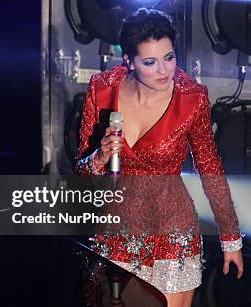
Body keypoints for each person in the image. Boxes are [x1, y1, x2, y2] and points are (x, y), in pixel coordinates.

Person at [75, 8, 243, 307]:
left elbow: (209, 166)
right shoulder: (102, 90)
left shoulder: (192, 97)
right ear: (129, 60)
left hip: (172, 234)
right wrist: (99, 156)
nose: (164, 70)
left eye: (169, 57)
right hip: (116, 232)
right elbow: (82, 175)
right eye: (150, 62)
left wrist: (231, 238)